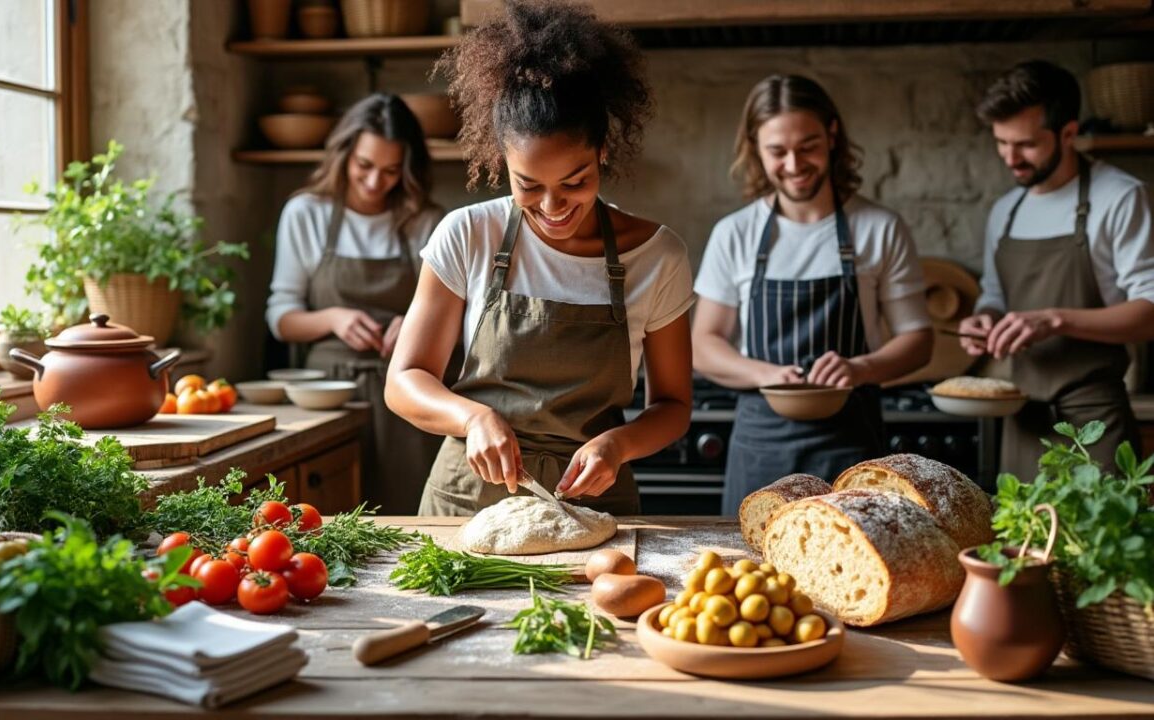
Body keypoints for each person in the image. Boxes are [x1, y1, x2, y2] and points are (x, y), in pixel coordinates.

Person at [384, 0, 694, 517]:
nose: (553, 208)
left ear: (602, 153)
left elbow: (673, 407)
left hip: (595, 503)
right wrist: (472, 418)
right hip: (467, 502)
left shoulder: (657, 256)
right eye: (528, 185)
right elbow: (405, 379)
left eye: (575, 183)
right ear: (500, 160)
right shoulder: (467, 234)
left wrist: (618, 444)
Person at [692, 74, 933, 515]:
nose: (794, 163)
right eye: (777, 151)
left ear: (833, 136)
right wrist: (764, 373)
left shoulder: (879, 228)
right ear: (755, 148)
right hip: (760, 444)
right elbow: (703, 344)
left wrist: (861, 367)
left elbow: (918, 339)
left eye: (808, 146)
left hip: (851, 444)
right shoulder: (735, 234)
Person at [959, 60, 1154, 480]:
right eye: (1001, 142)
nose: (1011, 158)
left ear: (1068, 133)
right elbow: (994, 294)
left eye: (1026, 144)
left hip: (1095, 425)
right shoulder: (1005, 211)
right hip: (1023, 422)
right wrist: (984, 319)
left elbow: (1150, 312)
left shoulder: (1120, 197)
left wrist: (1055, 318)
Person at [265, 93, 446, 513]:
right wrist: (332, 318)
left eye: (390, 171)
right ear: (344, 154)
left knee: (409, 515)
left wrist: (418, 321)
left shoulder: (426, 221)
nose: (373, 182)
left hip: (406, 392)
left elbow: (458, 316)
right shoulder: (306, 213)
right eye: (364, 166)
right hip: (328, 397)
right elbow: (281, 318)